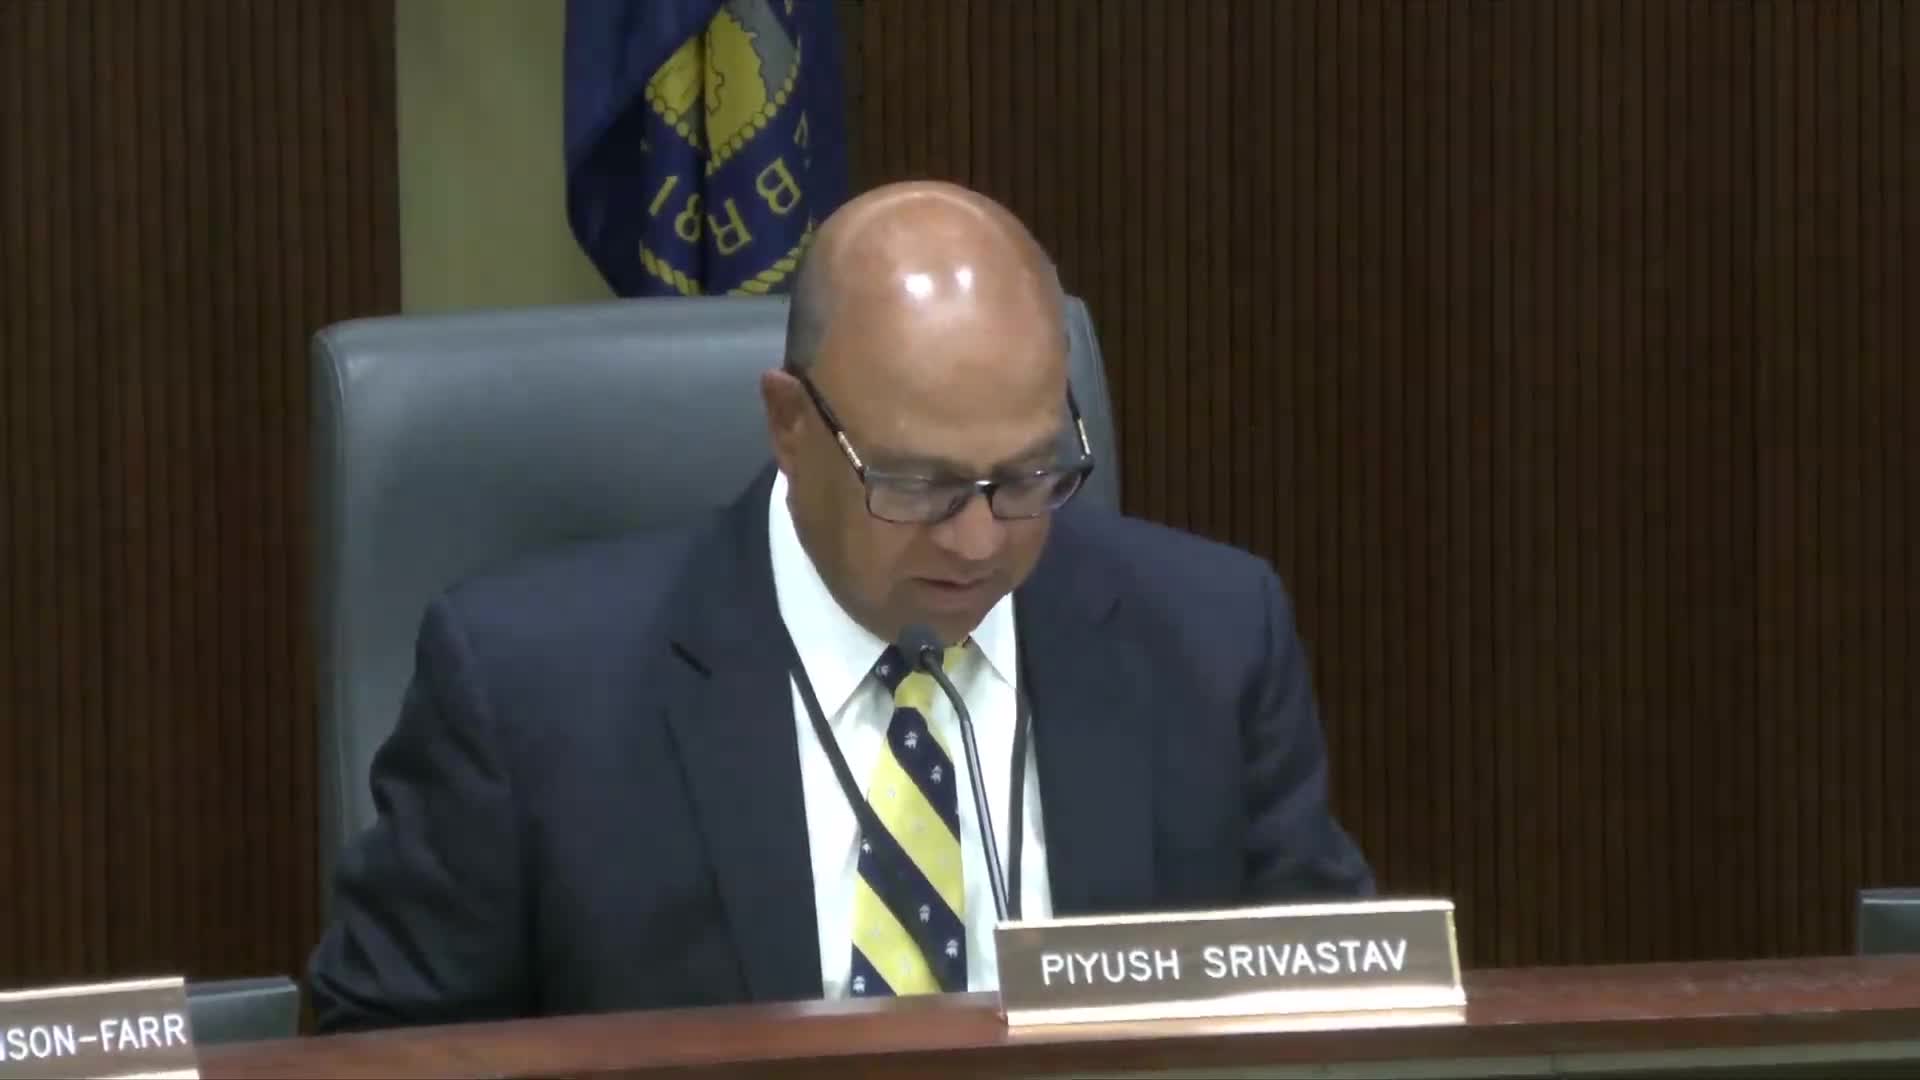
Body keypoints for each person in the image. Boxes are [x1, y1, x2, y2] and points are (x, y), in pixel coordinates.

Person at [306, 180, 1373, 1032]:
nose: (978, 540)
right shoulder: (531, 689)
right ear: (790, 425)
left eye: (1027, 476)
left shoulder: (1211, 639)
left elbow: (1344, 1018)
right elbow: (382, 1050)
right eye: (915, 483)